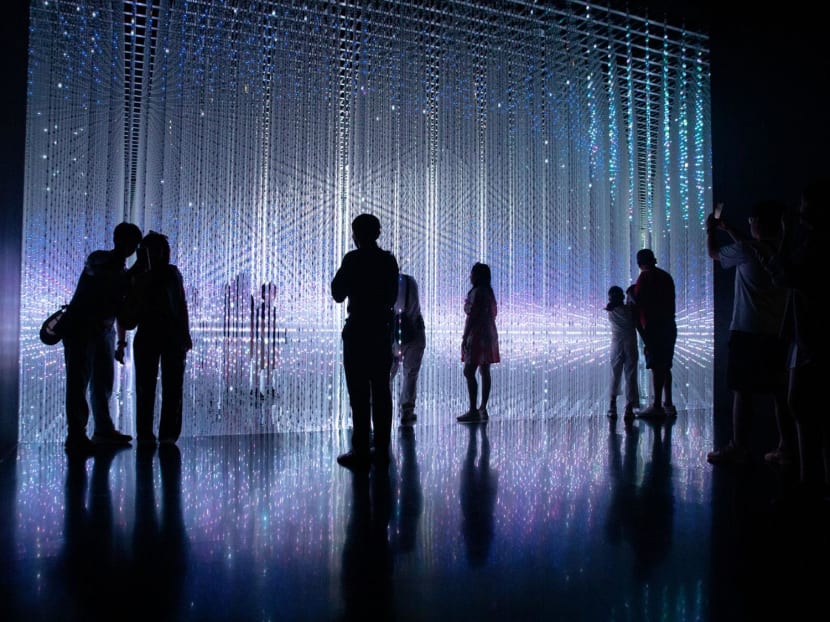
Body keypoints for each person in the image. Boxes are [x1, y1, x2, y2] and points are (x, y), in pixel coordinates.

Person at [705, 201, 794, 466]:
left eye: (751, 220)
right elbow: (753, 246)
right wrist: (730, 228)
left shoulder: (746, 251)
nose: (749, 224)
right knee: (780, 394)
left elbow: (713, 253)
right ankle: (786, 447)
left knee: (742, 391)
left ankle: (739, 447)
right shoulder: (783, 252)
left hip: (747, 331)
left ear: (757, 222)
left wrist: (711, 230)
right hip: (776, 333)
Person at [760, 179, 828, 496]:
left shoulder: (814, 245)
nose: (799, 210)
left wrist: (786, 234)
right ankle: (812, 481)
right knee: (807, 408)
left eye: (803, 205)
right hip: (808, 335)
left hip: (811, 337)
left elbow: (782, 275)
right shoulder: (814, 242)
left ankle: (809, 483)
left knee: (801, 405)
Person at [61, 221, 143, 453]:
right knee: (79, 382)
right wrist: (134, 273)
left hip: (102, 331)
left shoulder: (121, 271)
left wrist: (121, 342)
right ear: (117, 240)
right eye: (129, 242)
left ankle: (102, 430)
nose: (130, 248)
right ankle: (77, 435)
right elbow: (106, 282)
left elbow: (120, 310)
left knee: (103, 382)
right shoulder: (99, 259)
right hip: (81, 328)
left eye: (133, 244)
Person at [331, 214, 399, 471]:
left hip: (358, 332)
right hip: (380, 333)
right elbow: (392, 297)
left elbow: (337, 293)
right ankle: (382, 449)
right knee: (381, 391)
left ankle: (360, 451)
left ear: (356, 235)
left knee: (359, 394)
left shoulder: (353, 259)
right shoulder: (388, 261)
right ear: (378, 233)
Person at [119, 231, 192, 446]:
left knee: (169, 388)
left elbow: (180, 305)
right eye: (152, 250)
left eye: (158, 250)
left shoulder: (170, 274)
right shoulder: (139, 276)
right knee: (149, 388)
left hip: (166, 336)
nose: (156, 254)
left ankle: (164, 435)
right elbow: (128, 308)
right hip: (152, 335)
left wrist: (184, 334)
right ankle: (149, 434)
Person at [632, 248, 677, 419]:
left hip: (654, 327)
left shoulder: (645, 278)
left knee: (657, 367)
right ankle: (668, 403)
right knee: (665, 366)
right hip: (669, 325)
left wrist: (631, 297)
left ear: (639, 264)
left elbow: (639, 303)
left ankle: (657, 405)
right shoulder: (666, 276)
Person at [457, 262, 500, 423]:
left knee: (469, 371)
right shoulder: (489, 293)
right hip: (489, 333)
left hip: (477, 334)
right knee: (485, 370)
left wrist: (465, 337)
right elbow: (494, 313)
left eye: (472, 273)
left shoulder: (476, 293)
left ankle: (473, 410)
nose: (470, 276)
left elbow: (471, 316)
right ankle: (483, 408)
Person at [390, 272, 426, 426]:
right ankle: (407, 411)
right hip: (415, 331)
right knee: (411, 373)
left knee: (388, 373)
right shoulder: (411, 281)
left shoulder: (387, 283)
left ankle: (379, 408)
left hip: (395, 334)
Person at [605, 284, 641, 423]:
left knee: (615, 374)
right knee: (631, 375)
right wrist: (631, 294)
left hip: (616, 346)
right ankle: (629, 408)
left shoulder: (611, 311)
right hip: (630, 345)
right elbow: (634, 307)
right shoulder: (630, 310)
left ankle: (612, 406)